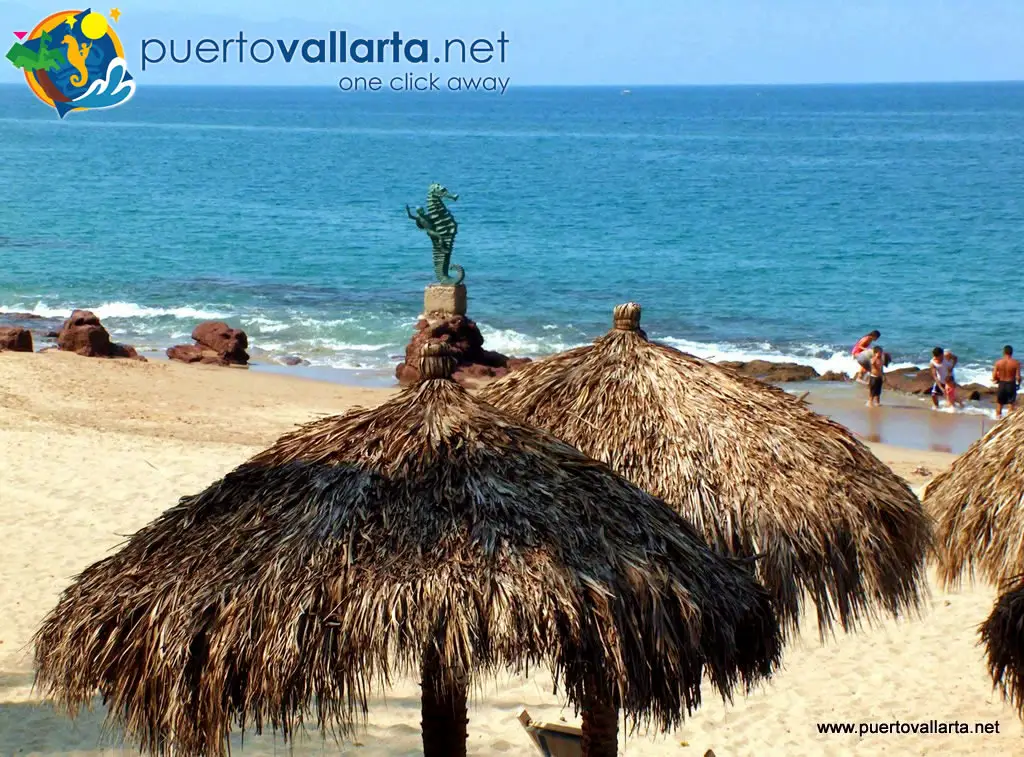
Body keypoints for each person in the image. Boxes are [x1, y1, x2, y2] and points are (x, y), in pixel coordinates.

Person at [992, 345, 1021, 418]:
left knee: (999, 405)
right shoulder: (1016, 363)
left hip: (1002, 384)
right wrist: (1019, 384)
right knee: (1010, 405)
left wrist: (997, 379)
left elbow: (994, 376)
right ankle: (1008, 423)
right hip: (1011, 384)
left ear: (1003, 352)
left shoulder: (998, 362)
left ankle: (998, 420)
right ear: (1012, 353)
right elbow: (1018, 377)